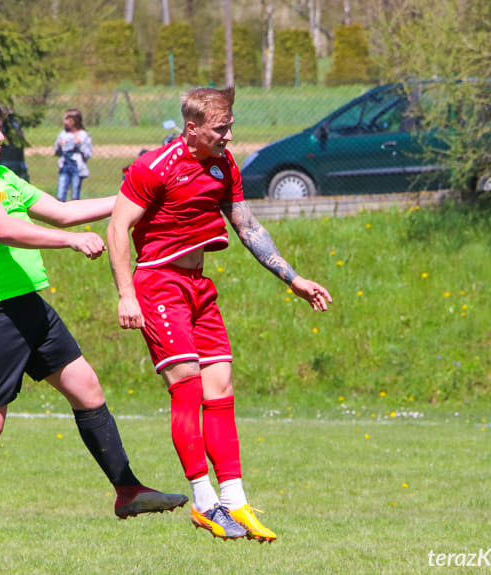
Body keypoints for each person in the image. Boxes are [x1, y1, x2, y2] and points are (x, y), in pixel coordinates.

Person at [0, 92, 187, 553]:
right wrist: (70, 243)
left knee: (87, 389)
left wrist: (138, 196)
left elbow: (65, 210)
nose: (1, 137)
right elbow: (4, 228)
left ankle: (128, 491)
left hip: (27, 306)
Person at [107, 87, 332, 543]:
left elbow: (247, 226)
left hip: (199, 287)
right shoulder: (154, 167)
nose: (230, 135)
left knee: (221, 385)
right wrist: (126, 294)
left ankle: (236, 500)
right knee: (186, 384)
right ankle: (204, 501)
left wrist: (294, 279)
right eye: (220, 129)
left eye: (230, 125)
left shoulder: (223, 164)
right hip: (159, 284)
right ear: (192, 128)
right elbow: (116, 226)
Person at [54, 108, 92, 201]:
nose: (65, 122)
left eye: (68, 119)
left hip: (77, 167)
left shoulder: (83, 135)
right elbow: (57, 152)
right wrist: (59, 145)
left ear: (75, 121)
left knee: (75, 194)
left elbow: (88, 153)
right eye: (65, 119)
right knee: (61, 193)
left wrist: (80, 144)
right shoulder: (63, 134)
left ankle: (75, 213)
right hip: (65, 165)